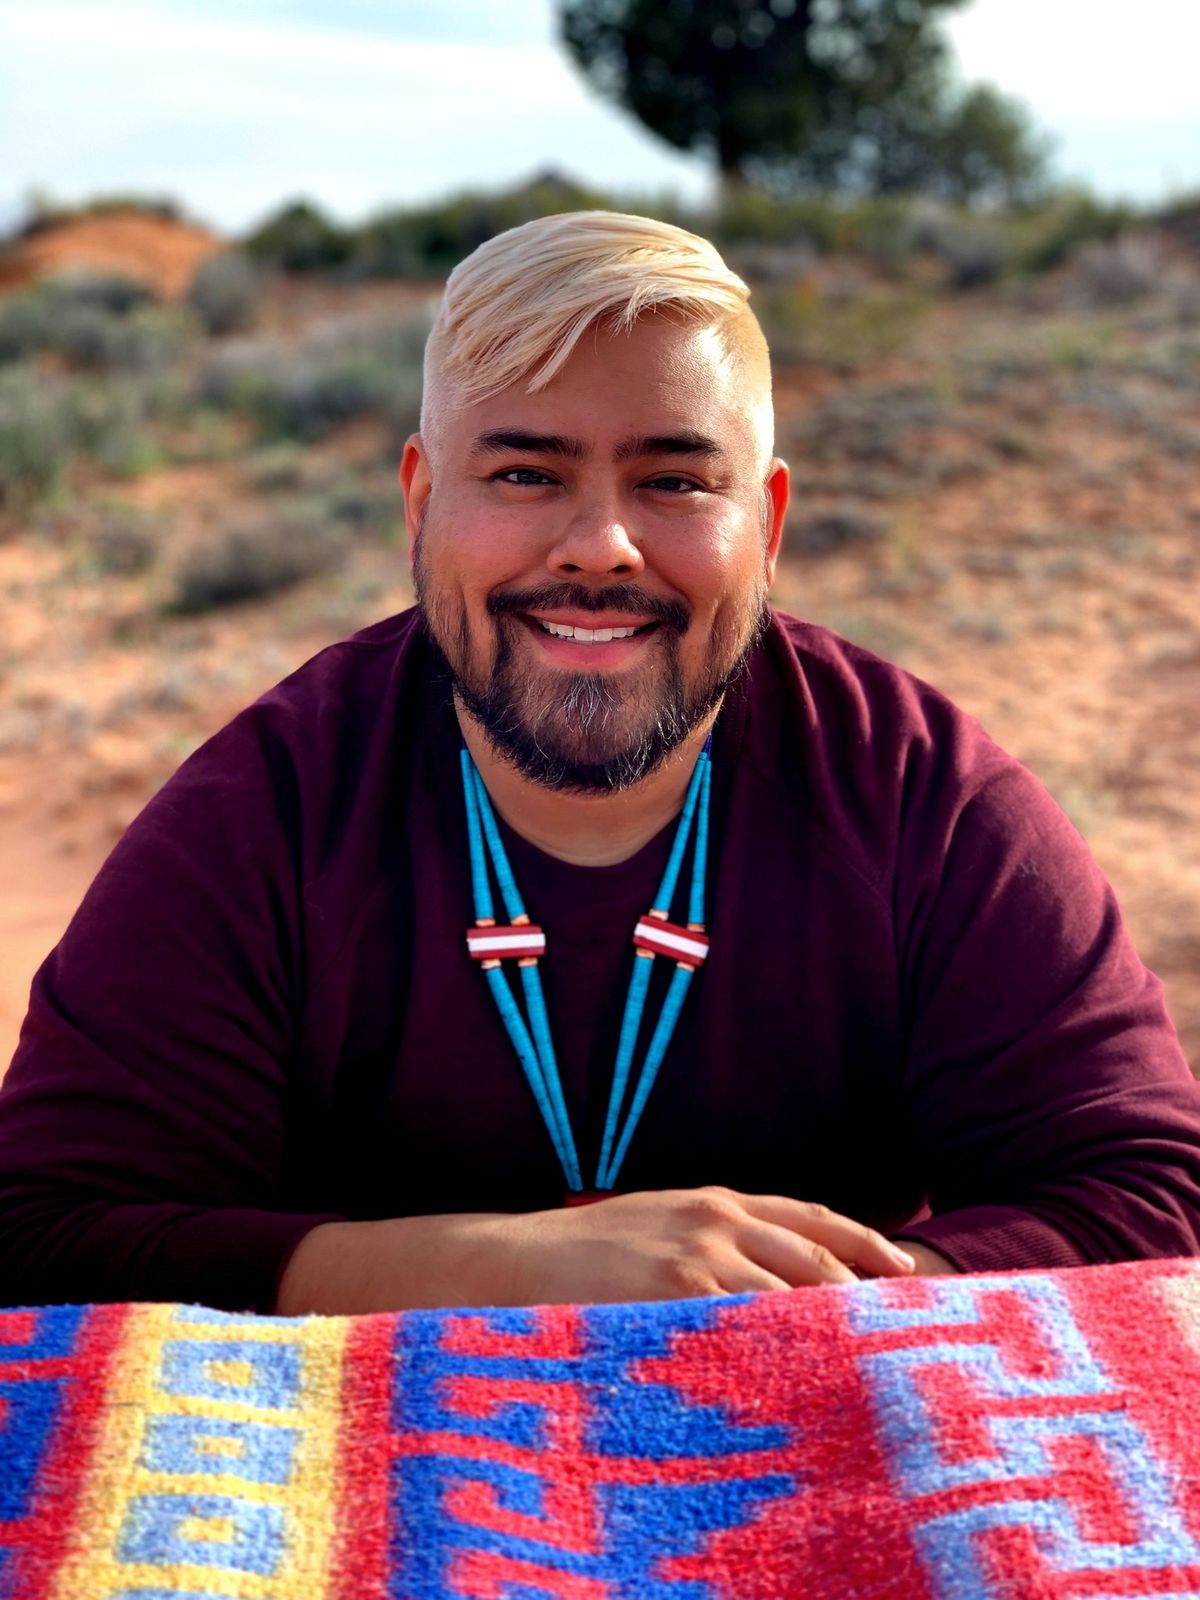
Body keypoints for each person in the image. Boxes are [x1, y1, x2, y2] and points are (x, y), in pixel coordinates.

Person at [2, 212, 1199, 1319]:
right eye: (526, 474)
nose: (601, 545)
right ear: (420, 506)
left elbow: (1155, 1188)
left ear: (768, 526)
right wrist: (503, 1267)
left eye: (674, 480)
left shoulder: (916, 793)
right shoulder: (269, 807)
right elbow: (42, 1228)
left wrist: (790, 1304)